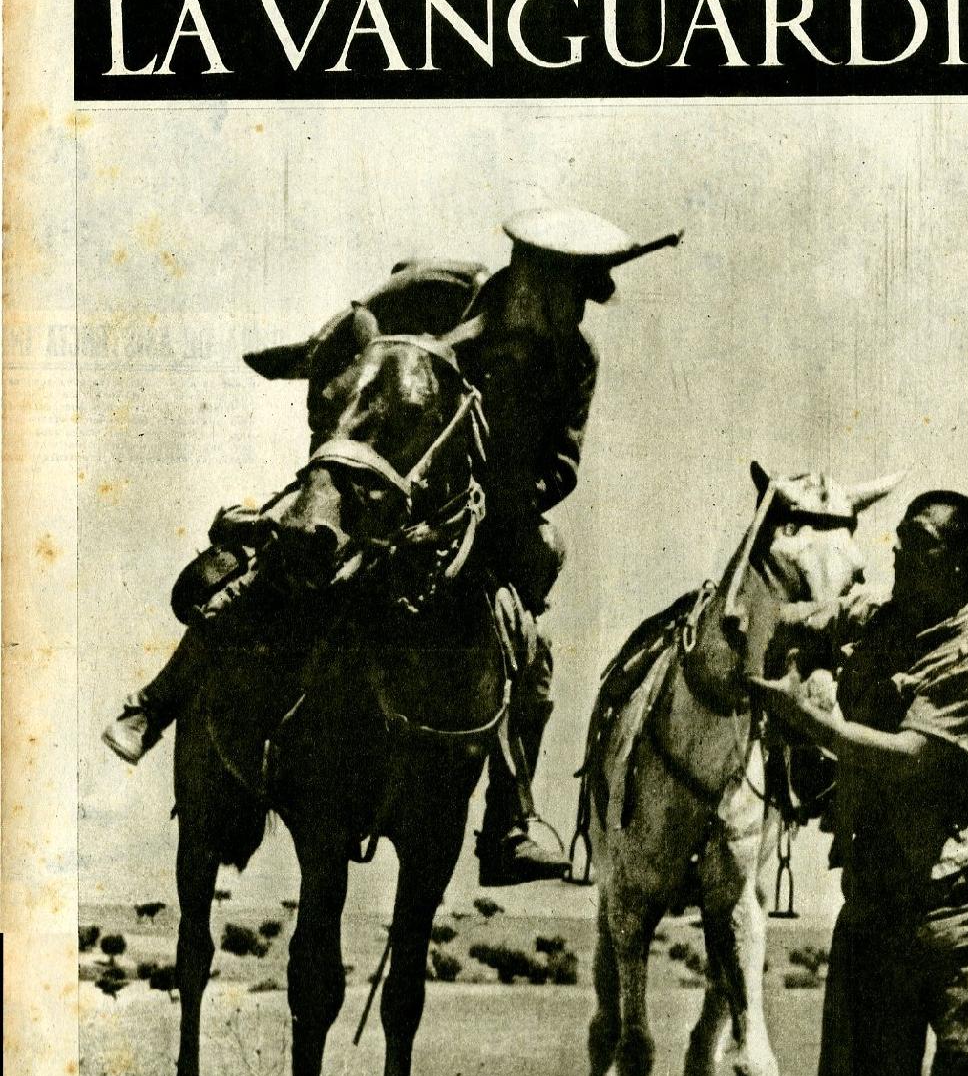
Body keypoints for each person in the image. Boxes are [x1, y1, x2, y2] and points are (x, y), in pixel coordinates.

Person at [103, 207, 680, 888]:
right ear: (532, 277)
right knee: (271, 556)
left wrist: (506, 493)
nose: (574, 313)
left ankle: (510, 819)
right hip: (379, 480)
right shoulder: (446, 298)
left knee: (532, 645)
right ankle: (156, 704)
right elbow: (357, 343)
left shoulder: (576, 357)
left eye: (583, 300)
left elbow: (564, 462)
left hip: (487, 513)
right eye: (569, 294)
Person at [749, 490, 968, 1076]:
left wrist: (806, 720)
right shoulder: (875, 619)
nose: (899, 551)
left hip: (963, 896)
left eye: (919, 541)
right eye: (900, 537)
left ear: (964, 563)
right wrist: (772, 630)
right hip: (877, 887)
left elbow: (909, 758)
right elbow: (792, 619)